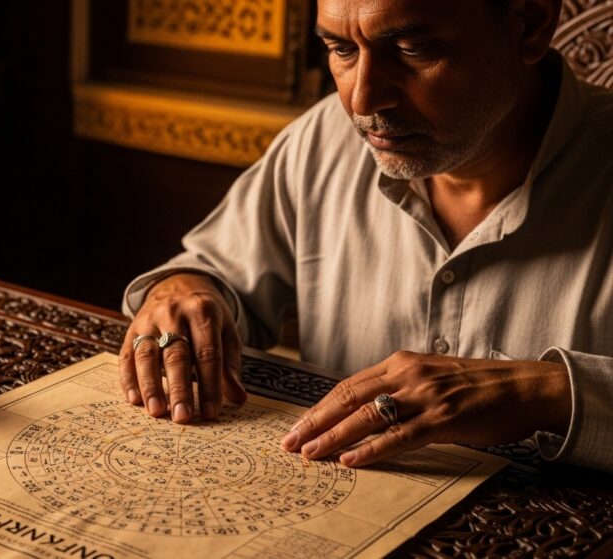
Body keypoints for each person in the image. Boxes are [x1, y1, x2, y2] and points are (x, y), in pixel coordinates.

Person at [119, 0, 613, 473]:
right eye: (342, 50)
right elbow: (213, 274)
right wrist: (184, 290)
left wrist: (548, 393)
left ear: (530, 22)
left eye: (413, 49)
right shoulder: (323, 142)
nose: (363, 99)